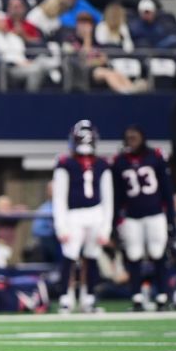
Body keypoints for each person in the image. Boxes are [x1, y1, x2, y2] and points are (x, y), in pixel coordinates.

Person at [52, 120, 113, 314]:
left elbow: (108, 197)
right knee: (70, 257)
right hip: (73, 215)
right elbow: (59, 197)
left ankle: (88, 297)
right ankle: (66, 297)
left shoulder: (102, 165)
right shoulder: (65, 164)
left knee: (91, 257)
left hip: (95, 213)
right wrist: (61, 224)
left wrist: (106, 227)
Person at [111, 125, 174, 311]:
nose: (131, 140)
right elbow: (116, 195)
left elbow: (167, 191)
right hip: (132, 216)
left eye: (135, 136)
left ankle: (162, 296)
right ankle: (137, 297)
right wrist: (114, 222)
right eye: (128, 137)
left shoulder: (155, 156)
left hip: (155, 214)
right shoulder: (120, 162)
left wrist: (170, 219)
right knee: (134, 256)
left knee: (158, 253)